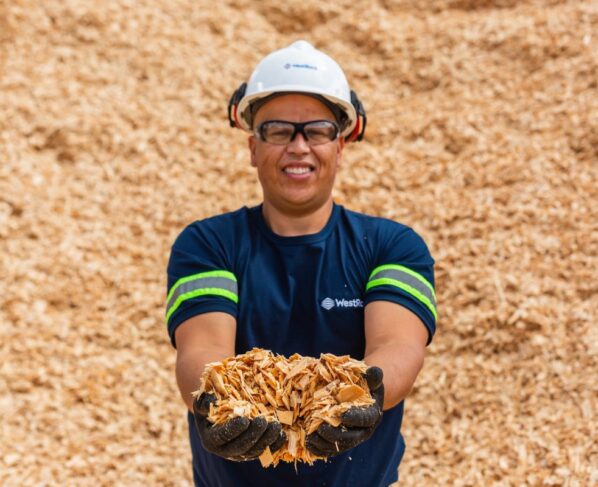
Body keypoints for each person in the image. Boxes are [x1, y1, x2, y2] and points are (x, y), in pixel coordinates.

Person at [166, 40, 437, 487]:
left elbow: (398, 345)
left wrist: (364, 396)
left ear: (340, 147)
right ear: (253, 147)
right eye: (277, 131)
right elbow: (202, 349)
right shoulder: (209, 244)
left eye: (317, 131)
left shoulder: (391, 246)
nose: (298, 146)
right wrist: (216, 403)